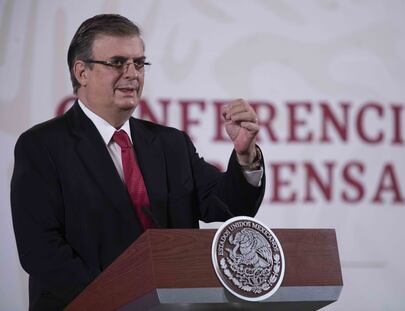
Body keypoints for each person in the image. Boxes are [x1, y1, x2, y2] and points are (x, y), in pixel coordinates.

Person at [10, 14, 265, 310]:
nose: (132, 74)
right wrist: (121, 298)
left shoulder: (172, 144)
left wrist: (246, 157)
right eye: (117, 62)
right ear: (82, 72)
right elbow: (41, 251)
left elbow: (230, 207)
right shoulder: (42, 146)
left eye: (139, 63)